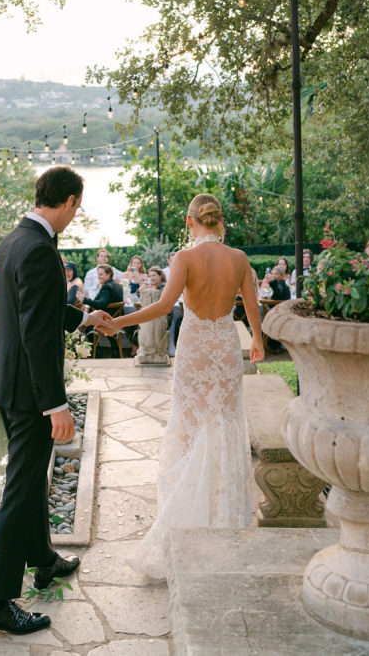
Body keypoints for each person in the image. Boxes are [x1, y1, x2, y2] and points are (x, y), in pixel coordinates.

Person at [0, 166, 109, 637]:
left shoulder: (13, 241)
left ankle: (45, 561)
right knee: (20, 489)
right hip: (31, 392)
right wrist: (55, 405)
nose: (76, 215)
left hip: (10, 384)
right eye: (78, 207)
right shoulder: (37, 248)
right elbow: (32, 332)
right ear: (70, 201)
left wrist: (79, 317)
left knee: (32, 479)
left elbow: (30, 308)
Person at [103, 193, 264, 579]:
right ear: (218, 221)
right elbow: (253, 305)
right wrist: (256, 339)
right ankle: (223, 514)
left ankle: (190, 512)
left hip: (194, 347)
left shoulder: (185, 258)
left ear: (190, 222)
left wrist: (118, 323)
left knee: (191, 425)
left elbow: (162, 307)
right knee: (223, 421)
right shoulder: (239, 259)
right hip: (224, 344)